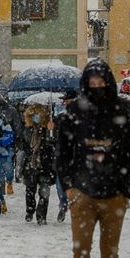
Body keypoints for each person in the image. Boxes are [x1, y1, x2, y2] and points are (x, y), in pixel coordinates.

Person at [56, 58, 130, 258]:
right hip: (82, 193)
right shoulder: (73, 112)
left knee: (110, 253)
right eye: (92, 80)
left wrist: (128, 190)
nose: (97, 85)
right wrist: (70, 187)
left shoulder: (126, 110)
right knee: (81, 250)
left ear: (109, 81)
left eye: (101, 80)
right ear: (86, 82)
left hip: (114, 194)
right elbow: (62, 154)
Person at [22, 103, 56, 224]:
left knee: (44, 192)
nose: (35, 117)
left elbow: (53, 144)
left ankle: (41, 215)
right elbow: (23, 144)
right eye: (33, 115)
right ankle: (30, 210)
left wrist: (50, 133)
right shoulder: (28, 129)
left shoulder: (49, 128)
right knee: (30, 190)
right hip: (31, 165)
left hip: (45, 165)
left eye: (38, 114)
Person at [54, 89, 78, 223]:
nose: (64, 102)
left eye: (67, 100)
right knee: (60, 184)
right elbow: (55, 135)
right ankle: (63, 204)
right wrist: (51, 127)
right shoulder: (61, 117)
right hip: (62, 155)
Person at [0, 98, 23, 195]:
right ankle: (1, 184)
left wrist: (16, 138)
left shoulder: (11, 110)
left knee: (8, 164)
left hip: (9, 143)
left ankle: (9, 183)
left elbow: (17, 127)